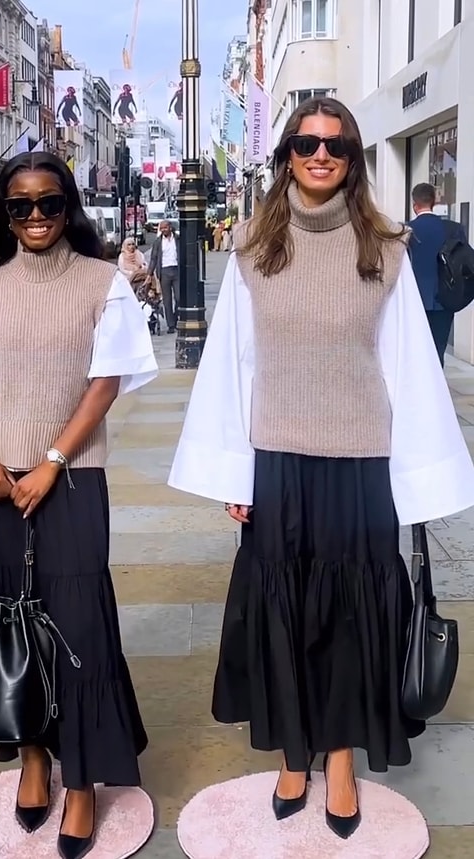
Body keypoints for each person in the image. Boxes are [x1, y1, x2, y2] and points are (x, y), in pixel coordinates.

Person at [168, 97, 474, 839]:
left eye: (335, 145)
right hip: (277, 461)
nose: (319, 154)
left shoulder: (387, 248)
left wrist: (417, 481)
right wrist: (235, 475)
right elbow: (233, 369)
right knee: (283, 614)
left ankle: (338, 757)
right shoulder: (250, 248)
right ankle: (294, 752)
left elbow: (408, 368)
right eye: (305, 142)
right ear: (286, 155)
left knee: (346, 617)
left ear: (353, 157)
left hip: (361, 463)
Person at [0, 151, 157, 859]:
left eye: (48, 204)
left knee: (78, 625)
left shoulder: (102, 285)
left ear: (69, 208)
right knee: (5, 615)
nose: (34, 216)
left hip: (74, 476)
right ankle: (32, 757)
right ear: (4, 210)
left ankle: (82, 779)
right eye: (20, 205)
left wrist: (52, 462)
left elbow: (105, 382)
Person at [408, 182, 469, 366]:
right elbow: (464, 262)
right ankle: (437, 390)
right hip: (444, 299)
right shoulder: (453, 229)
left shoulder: (404, 230)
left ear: (414, 204)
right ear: (433, 202)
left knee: (414, 351)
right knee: (438, 351)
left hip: (414, 301)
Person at [146, 220, 179, 333]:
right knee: (167, 300)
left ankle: (175, 318)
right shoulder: (158, 242)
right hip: (164, 271)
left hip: (176, 270)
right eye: (162, 228)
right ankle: (171, 325)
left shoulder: (177, 239)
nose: (163, 230)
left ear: (170, 227)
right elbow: (154, 258)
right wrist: (149, 274)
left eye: (165, 227)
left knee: (179, 298)